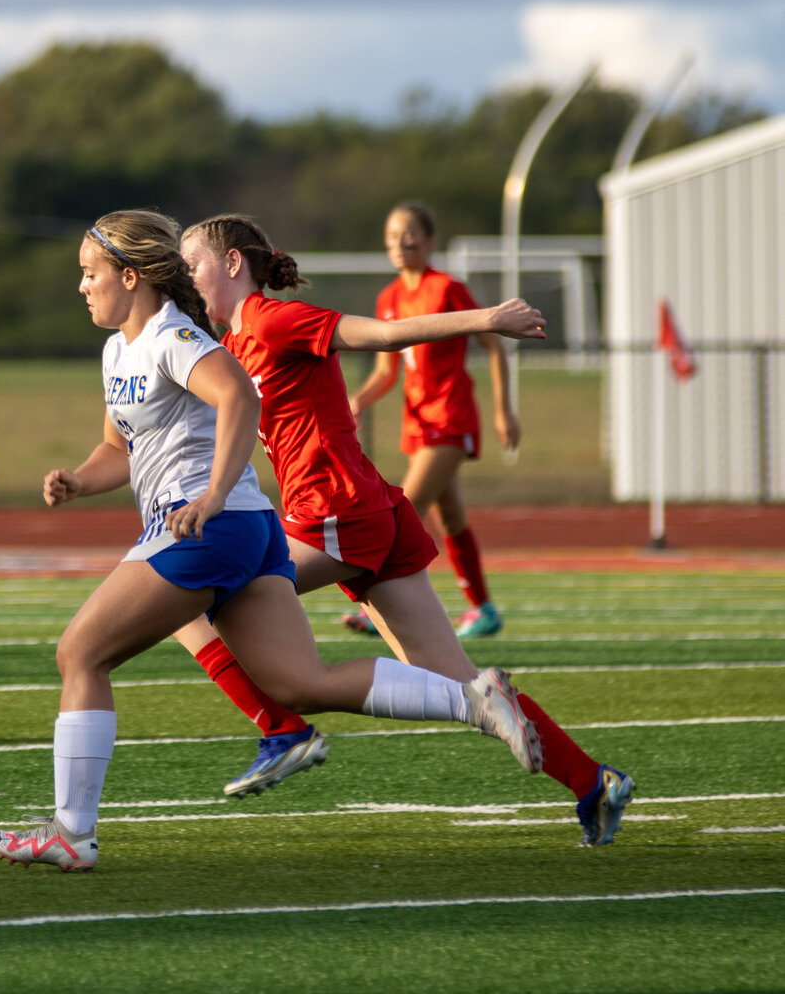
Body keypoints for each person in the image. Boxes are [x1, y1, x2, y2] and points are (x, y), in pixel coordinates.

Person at [0, 210, 541, 873]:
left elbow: (240, 397)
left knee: (79, 652)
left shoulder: (173, 336)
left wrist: (213, 493)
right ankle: (475, 700)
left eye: (90, 273)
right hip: (239, 528)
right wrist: (78, 479)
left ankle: (72, 833)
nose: (82, 286)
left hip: (211, 526)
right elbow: (117, 448)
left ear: (130, 276)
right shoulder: (119, 351)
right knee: (300, 684)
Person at [175, 212, 633, 848]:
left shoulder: (272, 319)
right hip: (366, 513)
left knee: (187, 599)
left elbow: (384, 336)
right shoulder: (232, 344)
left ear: (231, 265)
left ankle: (282, 729)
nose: (186, 276)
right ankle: (594, 783)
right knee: (460, 689)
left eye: (192, 263)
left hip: (337, 513)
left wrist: (487, 319)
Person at [342, 201, 515, 640]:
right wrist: (357, 400)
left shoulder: (447, 289)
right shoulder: (390, 298)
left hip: (450, 418)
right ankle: (483, 608)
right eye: (391, 238)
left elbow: (493, 345)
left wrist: (503, 409)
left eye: (409, 235)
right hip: (418, 425)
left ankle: (377, 608)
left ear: (430, 240)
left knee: (404, 513)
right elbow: (387, 372)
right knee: (451, 518)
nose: (400, 245)